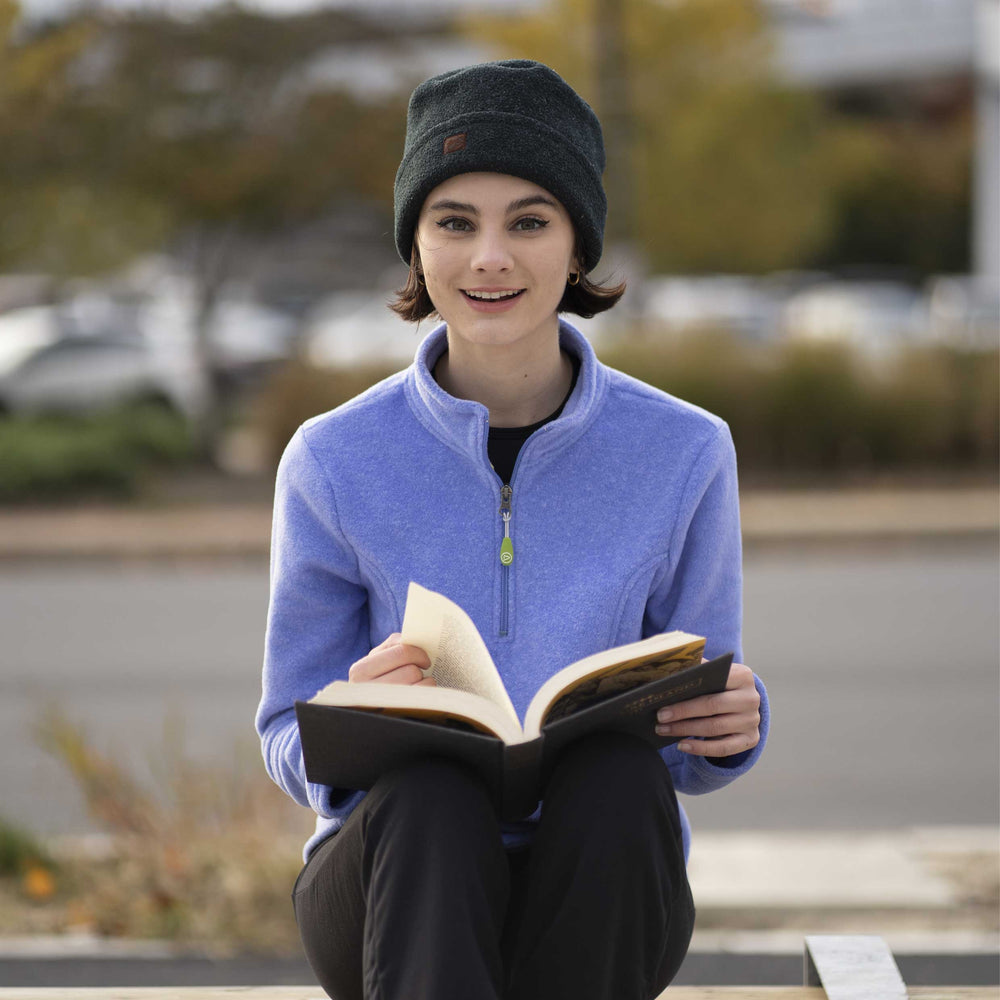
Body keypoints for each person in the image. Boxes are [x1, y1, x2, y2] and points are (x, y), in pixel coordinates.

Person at [256, 59, 769, 1000]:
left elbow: (692, 736)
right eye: (455, 222)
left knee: (619, 781)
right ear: (416, 246)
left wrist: (732, 728)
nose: (490, 257)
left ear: (578, 247)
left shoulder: (685, 451)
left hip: (605, 887)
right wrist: (345, 720)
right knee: (431, 795)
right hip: (389, 892)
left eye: (529, 221)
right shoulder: (331, 458)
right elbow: (285, 732)